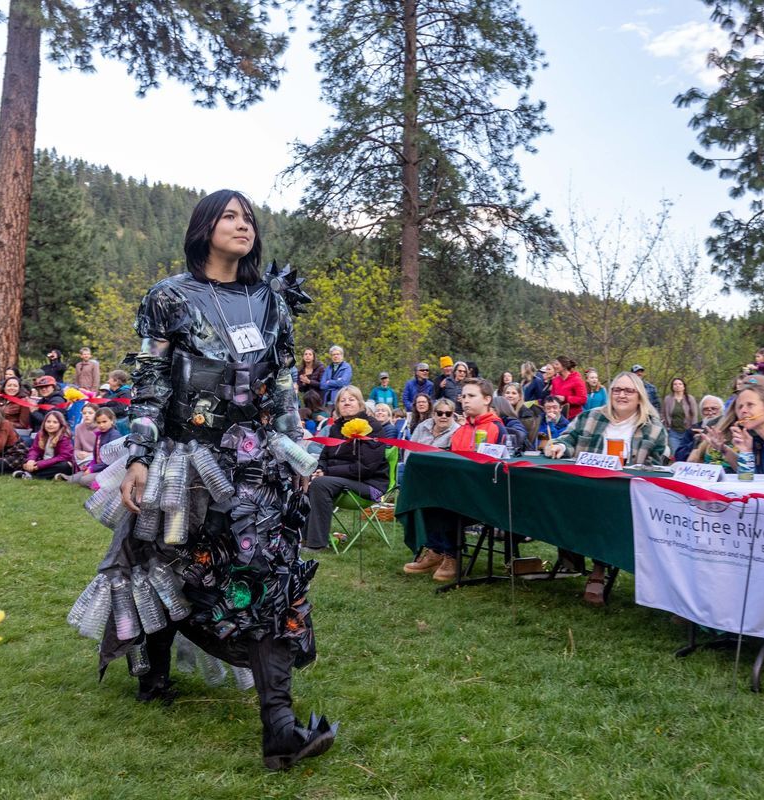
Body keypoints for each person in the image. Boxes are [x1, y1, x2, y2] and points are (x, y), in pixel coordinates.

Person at [80, 188, 335, 768]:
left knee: (270, 576)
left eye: (248, 217)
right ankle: (153, 669)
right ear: (204, 228)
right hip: (186, 460)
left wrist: (297, 454)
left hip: (257, 462)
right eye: (229, 216)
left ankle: (280, 726)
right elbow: (150, 379)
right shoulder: (168, 297)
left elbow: (285, 384)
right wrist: (140, 453)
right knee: (165, 559)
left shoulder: (271, 302)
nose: (242, 225)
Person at [545, 371, 669, 605]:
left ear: (640, 396)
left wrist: (637, 469)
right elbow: (568, 439)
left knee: (607, 512)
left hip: (627, 493)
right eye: (617, 390)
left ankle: (598, 571)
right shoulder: (590, 417)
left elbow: (658, 465)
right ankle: (574, 556)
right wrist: (560, 446)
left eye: (628, 390)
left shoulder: (653, 428)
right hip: (588, 487)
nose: (622, 395)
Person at [403, 378, 507, 582]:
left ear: (487, 399)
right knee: (426, 495)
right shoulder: (462, 429)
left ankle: (452, 555)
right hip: (459, 489)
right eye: (463, 396)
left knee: (444, 501)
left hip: (485, 495)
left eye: (471, 396)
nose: (465, 401)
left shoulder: (496, 429)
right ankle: (436, 550)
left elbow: (497, 470)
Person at [303, 386, 388, 552]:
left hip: (370, 486)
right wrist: (320, 468)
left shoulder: (372, 427)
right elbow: (325, 455)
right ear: (337, 406)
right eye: (342, 400)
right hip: (341, 481)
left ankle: (317, 544)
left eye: (351, 399)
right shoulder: (335, 428)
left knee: (320, 484)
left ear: (361, 404)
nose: (346, 403)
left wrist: (327, 472)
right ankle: (303, 538)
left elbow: (365, 468)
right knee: (308, 481)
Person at [66, 406, 122, 485]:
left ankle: (106, 484)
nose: (101, 425)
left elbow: (111, 461)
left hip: (109, 470)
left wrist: (92, 469)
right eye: (98, 423)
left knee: (84, 480)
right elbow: (95, 457)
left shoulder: (114, 435)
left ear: (112, 421)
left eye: (104, 422)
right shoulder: (99, 435)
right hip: (99, 468)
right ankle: (68, 478)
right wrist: (89, 467)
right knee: (75, 479)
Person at [16, 410, 74, 479]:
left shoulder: (64, 437)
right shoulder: (40, 434)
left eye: (55, 422)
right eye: (48, 421)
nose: (51, 424)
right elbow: (35, 449)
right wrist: (31, 460)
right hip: (42, 460)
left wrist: (41, 464)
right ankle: (28, 471)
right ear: (44, 423)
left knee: (64, 466)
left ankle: (31, 475)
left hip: (56, 462)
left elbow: (63, 457)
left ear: (60, 424)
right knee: (24, 458)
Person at [661, 377, 699, 458]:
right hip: (673, 432)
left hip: (687, 432)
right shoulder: (668, 399)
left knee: (687, 454)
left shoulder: (690, 399)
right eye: (675, 384)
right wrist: (666, 427)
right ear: (672, 387)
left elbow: (694, 415)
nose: (677, 386)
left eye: (680, 384)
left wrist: (694, 430)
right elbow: (663, 414)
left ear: (683, 386)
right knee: (676, 454)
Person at [500, 381, 538, 447]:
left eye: (514, 393)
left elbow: (523, 437)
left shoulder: (526, 414)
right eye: (507, 393)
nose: (510, 395)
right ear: (503, 395)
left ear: (520, 397)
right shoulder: (499, 411)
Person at [73, 403, 100, 471]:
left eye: (90, 413)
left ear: (96, 414)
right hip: (83, 457)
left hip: (96, 456)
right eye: (84, 413)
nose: (87, 415)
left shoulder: (101, 427)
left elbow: (102, 451)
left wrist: (89, 454)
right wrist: (78, 453)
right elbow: (76, 448)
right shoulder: (78, 427)